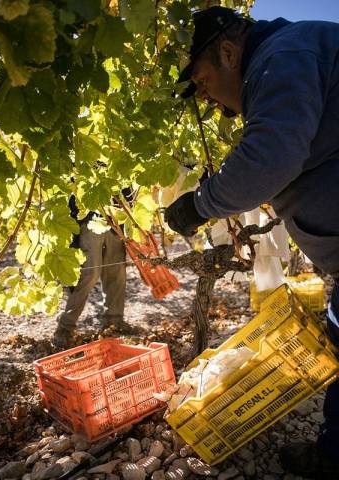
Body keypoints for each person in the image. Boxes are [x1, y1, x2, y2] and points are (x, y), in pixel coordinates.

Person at [165, 6, 339, 477]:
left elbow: (270, 157)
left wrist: (198, 205)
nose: (205, 98)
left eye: (201, 81)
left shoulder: (282, 57)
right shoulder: (288, 58)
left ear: (227, 51)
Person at [52, 200, 128, 349]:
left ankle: (114, 320)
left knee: (117, 271)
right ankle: (65, 326)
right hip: (89, 218)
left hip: (115, 219)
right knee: (90, 273)